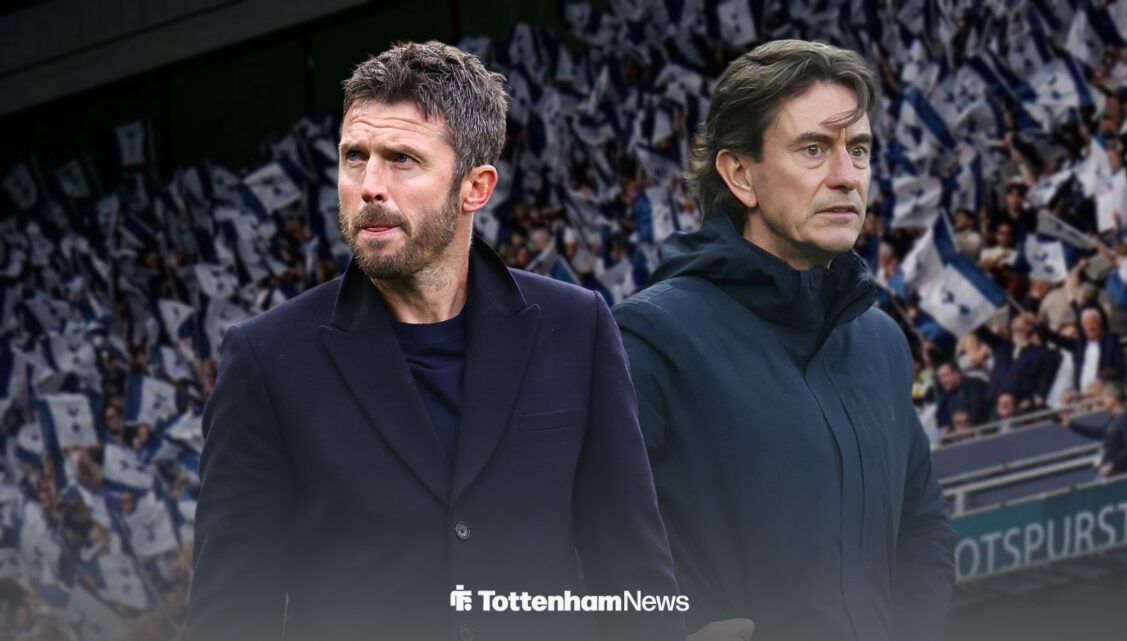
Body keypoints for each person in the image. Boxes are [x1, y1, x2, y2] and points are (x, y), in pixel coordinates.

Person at [188, 41, 686, 641]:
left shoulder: (576, 328)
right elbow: (231, 614)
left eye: (402, 159)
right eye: (354, 157)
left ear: (475, 187)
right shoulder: (266, 360)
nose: (369, 185)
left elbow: (633, 576)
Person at [612, 40, 956, 641]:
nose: (846, 177)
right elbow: (576, 535)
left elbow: (922, 530)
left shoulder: (881, 342)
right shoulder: (647, 338)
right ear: (740, 174)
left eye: (858, 150)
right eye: (813, 149)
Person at [1060, 381, 1127, 477]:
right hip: (1107, 472)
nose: (1102, 400)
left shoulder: (1126, 420)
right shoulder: (1114, 420)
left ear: (1113, 398)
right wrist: (1072, 425)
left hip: (1117, 473)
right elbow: (1097, 432)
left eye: (1105, 397)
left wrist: (1113, 464)